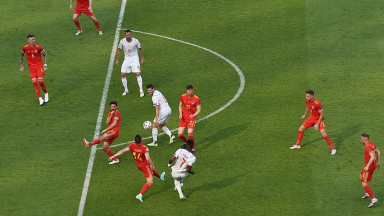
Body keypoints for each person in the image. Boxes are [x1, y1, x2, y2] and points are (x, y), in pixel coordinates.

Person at [108, 135, 165, 202]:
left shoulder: (131, 145)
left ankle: (160, 176)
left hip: (139, 165)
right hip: (145, 166)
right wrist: (152, 164)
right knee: (150, 182)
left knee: (151, 169)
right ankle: (140, 195)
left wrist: (113, 156)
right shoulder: (144, 148)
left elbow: (123, 151)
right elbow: (147, 158)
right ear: (141, 140)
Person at [290, 90, 336, 155]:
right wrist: (304, 115)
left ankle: (333, 149)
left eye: (307, 96)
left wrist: (317, 124)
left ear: (312, 96)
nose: (306, 97)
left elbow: (322, 114)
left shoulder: (318, 104)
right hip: (312, 118)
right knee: (300, 128)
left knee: (323, 133)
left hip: (319, 119)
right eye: (306, 96)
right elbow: (308, 107)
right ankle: (297, 145)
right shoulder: (307, 100)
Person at [20, 34, 49, 106]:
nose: (32, 41)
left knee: (40, 81)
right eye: (30, 40)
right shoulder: (25, 48)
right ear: (28, 40)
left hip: (39, 66)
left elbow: (45, 55)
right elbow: (21, 55)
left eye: (33, 39)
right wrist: (21, 65)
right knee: (34, 82)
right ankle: (40, 99)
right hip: (31, 68)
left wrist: (45, 65)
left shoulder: (38, 47)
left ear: (34, 39)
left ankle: (46, 94)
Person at [115, 30, 145, 97]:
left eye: (129, 35)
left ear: (131, 35)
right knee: (122, 74)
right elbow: (119, 49)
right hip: (127, 60)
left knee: (137, 74)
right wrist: (117, 60)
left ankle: (141, 90)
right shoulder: (122, 41)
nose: (128, 36)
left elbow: (140, 48)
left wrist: (142, 58)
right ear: (125, 35)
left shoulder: (135, 41)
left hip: (135, 59)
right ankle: (126, 90)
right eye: (126, 35)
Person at [360, 133, 381, 208]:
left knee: (364, 183)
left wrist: (367, 166)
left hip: (369, 167)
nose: (360, 140)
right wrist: (378, 162)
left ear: (365, 139)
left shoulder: (368, 146)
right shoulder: (371, 144)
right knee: (361, 176)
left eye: (361, 138)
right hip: (372, 165)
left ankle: (373, 198)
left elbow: (372, 157)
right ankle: (367, 193)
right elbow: (378, 152)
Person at [178, 85, 201, 152]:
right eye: (188, 90)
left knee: (190, 134)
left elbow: (199, 109)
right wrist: (180, 114)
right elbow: (180, 105)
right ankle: (186, 143)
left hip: (191, 118)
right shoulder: (183, 96)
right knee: (180, 135)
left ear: (192, 90)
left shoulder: (196, 99)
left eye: (190, 90)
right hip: (184, 118)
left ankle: (192, 148)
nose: (189, 92)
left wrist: (194, 115)